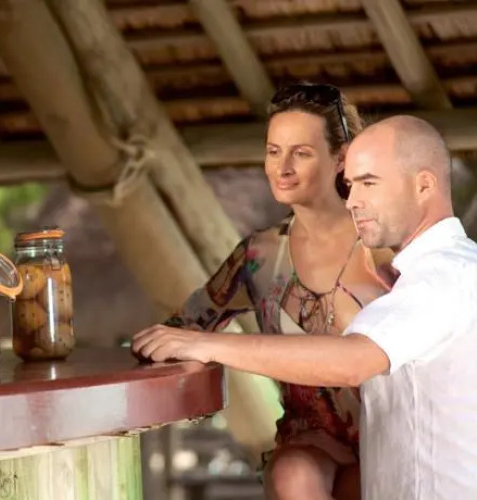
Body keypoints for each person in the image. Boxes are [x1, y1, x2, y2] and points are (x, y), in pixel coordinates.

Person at [133, 115, 477, 499]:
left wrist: (207, 345)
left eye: (369, 183)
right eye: (350, 185)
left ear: (424, 185)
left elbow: (353, 361)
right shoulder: (439, 273)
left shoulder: (443, 277)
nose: (353, 200)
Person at [146, 83, 396, 500]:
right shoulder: (259, 256)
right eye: (274, 151)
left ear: (340, 158)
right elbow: (185, 328)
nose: (283, 167)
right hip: (309, 443)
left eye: (302, 153)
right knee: (293, 474)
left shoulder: (385, 244)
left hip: (391, 435)